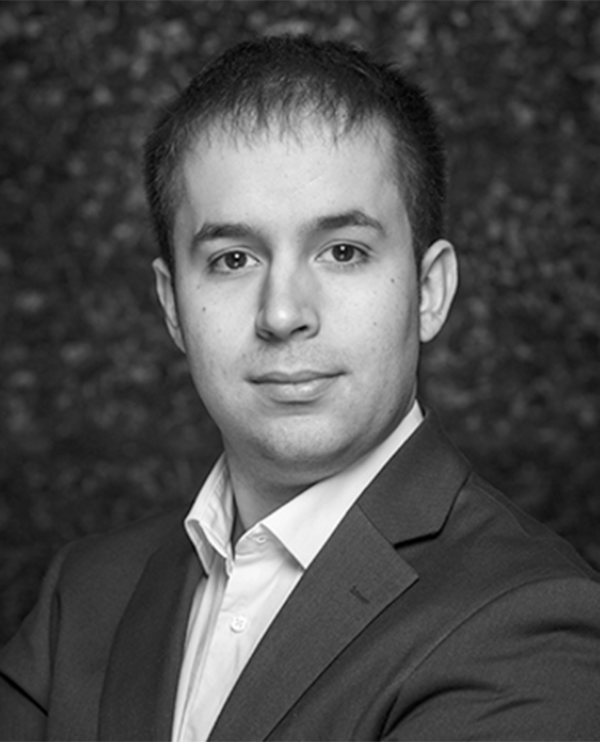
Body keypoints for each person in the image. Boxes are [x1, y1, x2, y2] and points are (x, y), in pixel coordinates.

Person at [1, 34, 599, 742]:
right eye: (233, 259)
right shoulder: (84, 593)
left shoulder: (530, 619)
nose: (283, 314)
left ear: (429, 291)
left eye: (343, 251)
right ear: (172, 306)